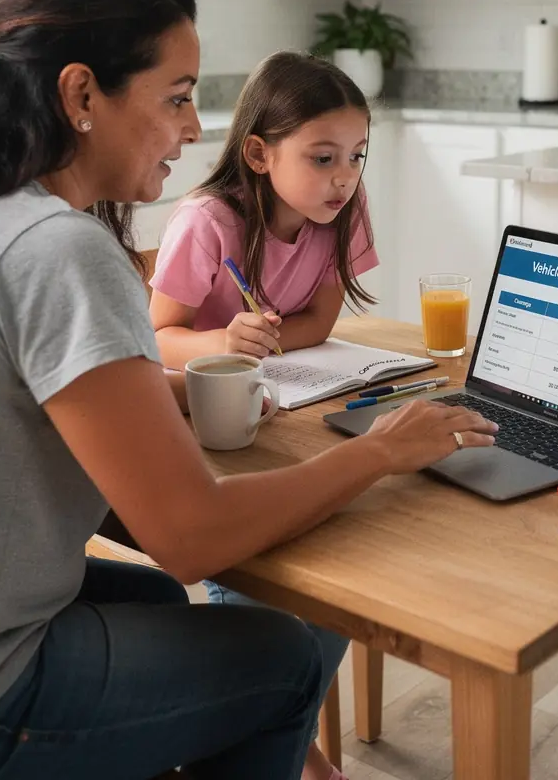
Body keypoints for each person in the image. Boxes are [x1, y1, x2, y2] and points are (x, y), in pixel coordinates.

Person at [0, 0, 497, 780]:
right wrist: (378, 451)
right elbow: (191, 536)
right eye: (179, 98)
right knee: (280, 660)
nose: (197, 128)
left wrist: (169, 390)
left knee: (159, 603)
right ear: (81, 93)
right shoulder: (57, 248)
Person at [148, 51, 377, 780]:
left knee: (340, 560)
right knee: (259, 581)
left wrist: (271, 340)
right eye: (322, 157)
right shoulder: (207, 221)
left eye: (357, 156)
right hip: (208, 425)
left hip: (292, 406)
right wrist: (223, 340)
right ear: (258, 151)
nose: (344, 176)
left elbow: (317, 320)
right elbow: (157, 335)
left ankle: (284, 736)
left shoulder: (341, 211)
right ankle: (288, 746)